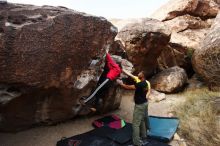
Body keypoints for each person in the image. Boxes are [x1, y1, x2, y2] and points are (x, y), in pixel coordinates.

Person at [117, 70, 151, 146]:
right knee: (142, 120)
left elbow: (127, 87)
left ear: (143, 75)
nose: (138, 73)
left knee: (135, 124)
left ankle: (137, 143)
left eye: (140, 73)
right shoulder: (145, 83)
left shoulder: (140, 84)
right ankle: (144, 137)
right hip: (144, 103)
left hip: (140, 106)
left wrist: (120, 83)